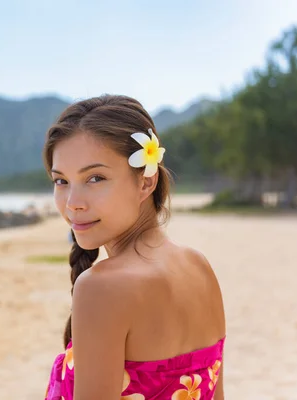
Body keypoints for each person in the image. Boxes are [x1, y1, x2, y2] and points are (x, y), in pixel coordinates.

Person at [41, 95, 226, 400]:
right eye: (61, 181)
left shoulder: (101, 289)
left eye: (95, 178)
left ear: (146, 181)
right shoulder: (199, 266)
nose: (73, 202)